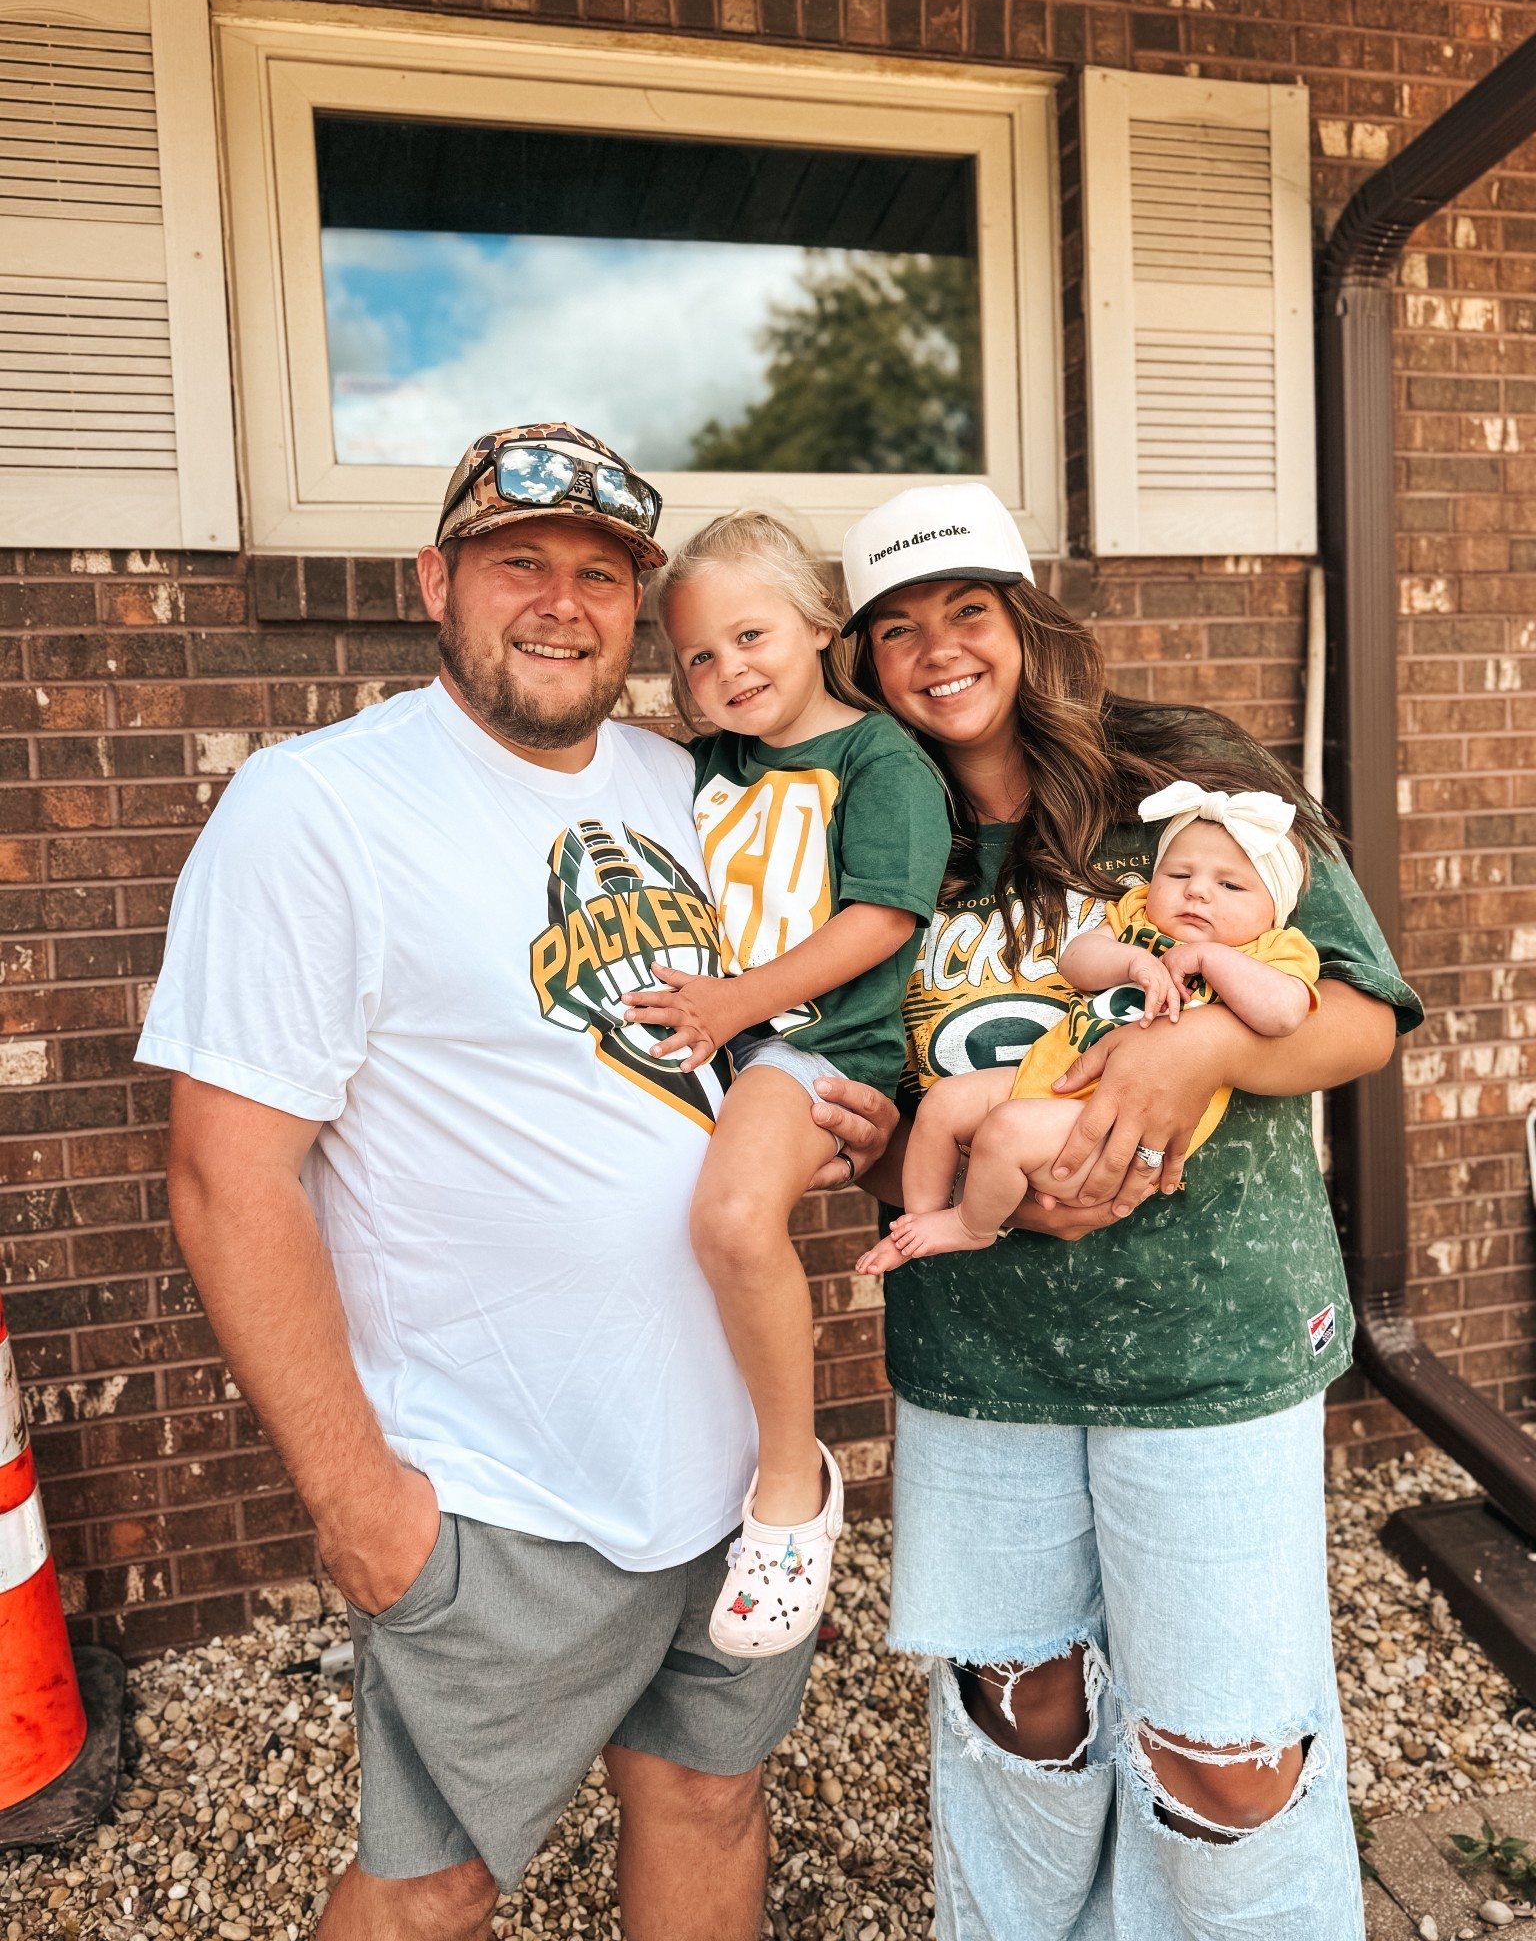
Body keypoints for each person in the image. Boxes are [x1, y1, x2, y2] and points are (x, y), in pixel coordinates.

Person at [137, 425, 890, 1941]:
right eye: (518, 564)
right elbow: (229, 1181)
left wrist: (825, 1114)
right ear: (436, 582)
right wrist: (363, 1509)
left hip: (739, 1475)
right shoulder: (318, 810)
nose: (561, 603)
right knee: (433, 1890)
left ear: (640, 609)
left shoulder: (698, 787)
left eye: (602, 576)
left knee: (709, 1796)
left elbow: (748, 1038)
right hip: (502, 1490)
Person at [838, 481, 1421, 1940]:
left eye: (967, 609)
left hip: (1208, 1340)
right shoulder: (860, 826)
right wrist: (902, 1148)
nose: (939, 650)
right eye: (895, 627)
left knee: (1229, 1763)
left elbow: (1363, 1017)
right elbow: (848, 1077)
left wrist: (1201, 1044)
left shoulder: (1187, 774)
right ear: (862, 663)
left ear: (1025, 619)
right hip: (981, 1345)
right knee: (1021, 1718)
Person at [621, 511, 949, 1657]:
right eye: (699, 657)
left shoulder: (877, 757)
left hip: (814, 1045)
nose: (727, 670)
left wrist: (735, 1002)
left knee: (730, 1214)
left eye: (751, 633)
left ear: (820, 625)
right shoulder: (707, 763)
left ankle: (788, 1489)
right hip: (724, 1041)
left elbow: (882, 916)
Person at [859, 778, 1320, 1267]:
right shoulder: (1137, 916)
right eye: (1179, 875)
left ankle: (972, 1226)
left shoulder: (1272, 949)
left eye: (1229, 885)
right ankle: (920, 1220)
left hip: (1114, 1124)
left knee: (1004, 1131)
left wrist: (1209, 958)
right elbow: (1076, 959)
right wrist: (1131, 963)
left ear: (1276, 908)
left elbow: (1284, 1014)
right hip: (1052, 1077)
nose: (1198, 892)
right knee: (944, 1102)